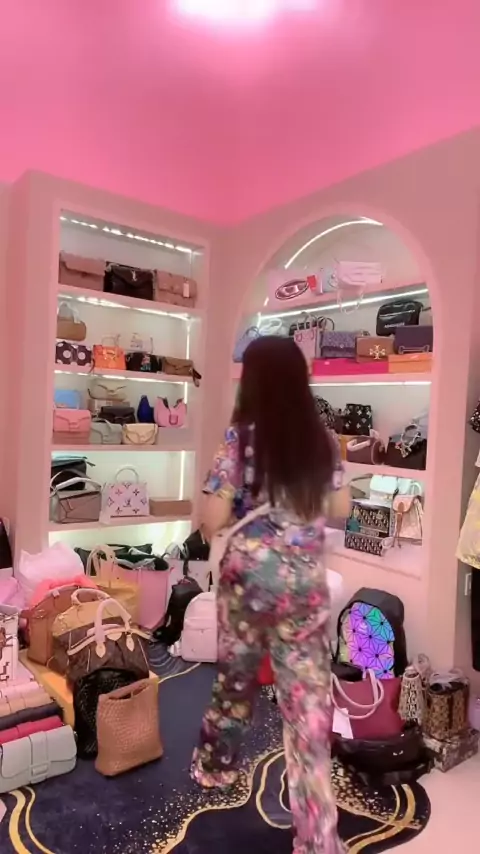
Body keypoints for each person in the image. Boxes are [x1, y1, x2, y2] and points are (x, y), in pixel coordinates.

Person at [191, 335, 349, 854]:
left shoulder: (239, 440)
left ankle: (216, 767)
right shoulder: (322, 440)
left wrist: (235, 507)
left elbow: (214, 517)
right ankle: (318, 836)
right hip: (303, 587)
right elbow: (341, 508)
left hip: (248, 585)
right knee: (307, 710)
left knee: (235, 682)